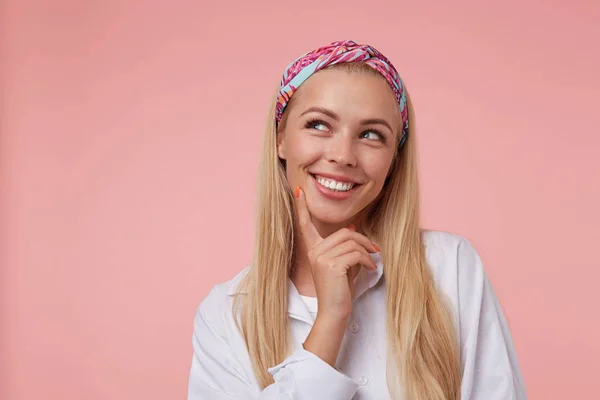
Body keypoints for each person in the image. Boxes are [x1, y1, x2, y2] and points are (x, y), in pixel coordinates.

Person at [187, 40, 527, 400]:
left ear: (394, 160)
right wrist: (330, 321)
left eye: (370, 135)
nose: (343, 155)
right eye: (319, 125)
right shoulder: (226, 314)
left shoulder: (450, 267)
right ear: (281, 140)